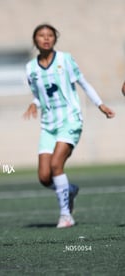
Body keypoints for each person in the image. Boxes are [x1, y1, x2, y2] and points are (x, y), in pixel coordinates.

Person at [23, 24, 115, 228]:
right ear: (35, 40)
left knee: (57, 165)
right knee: (44, 177)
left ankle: (66, 216)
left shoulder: (65, 59)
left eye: (50, 35)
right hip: (48, 125)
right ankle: (69, 189)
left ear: (55, 39)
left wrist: (100, 104)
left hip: (70, 120)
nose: (46, 38)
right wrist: (34, 103)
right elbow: (40, 96)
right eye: (41, 35)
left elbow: (83, 83)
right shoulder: (30, 68)